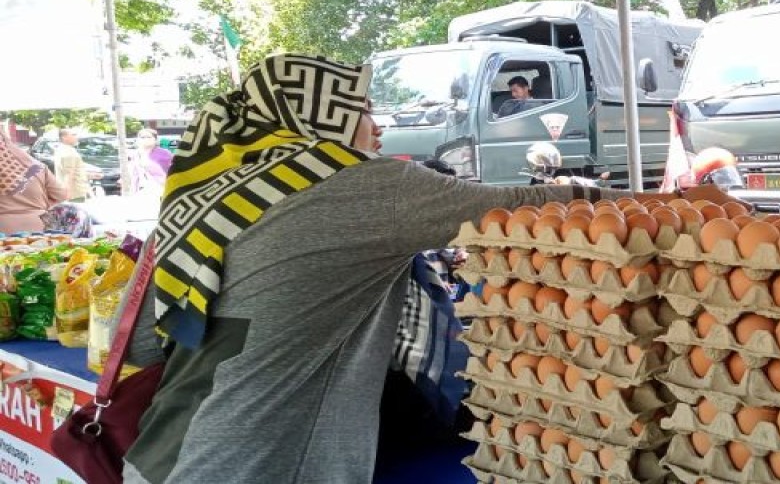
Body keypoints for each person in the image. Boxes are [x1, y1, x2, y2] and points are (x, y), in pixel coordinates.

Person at [123, 54, 734, 484]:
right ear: (321, 120)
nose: (378, 125)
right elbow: (513, 207)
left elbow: (150, 345)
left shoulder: (204, 191)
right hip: (259, 464)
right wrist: (672, 202)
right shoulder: (352, 184)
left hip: (161, 453)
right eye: (363, 109)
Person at [0, 131, 68, 234]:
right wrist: (37, 204)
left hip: (4, 232)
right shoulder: (37, 166)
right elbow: (61, 195)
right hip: (39, 230)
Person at [126, 128, 173, 194]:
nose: (146, 139)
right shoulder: (134, 155)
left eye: (148, 137)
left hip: (161, 189)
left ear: (155, 139)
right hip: (141, 191)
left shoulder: (164, 154)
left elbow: (172, 172)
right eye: (142, 137)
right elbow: (134, 175)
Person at [53, 128, 92, 202]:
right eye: (73, 135)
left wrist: (90, 175)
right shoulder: (67, 152)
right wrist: (68, 194)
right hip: (75, 193)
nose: (76, 137)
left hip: (74, 191)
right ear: (64, 137)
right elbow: (68, 174)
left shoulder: (62, 149)